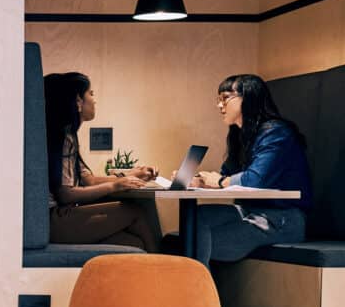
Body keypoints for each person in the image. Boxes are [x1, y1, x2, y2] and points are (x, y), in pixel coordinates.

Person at [186, 73, 312, 267]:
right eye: (218, 100)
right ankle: (200, 292)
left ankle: (198, 295)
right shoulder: (240, 135)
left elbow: (254, 181)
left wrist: (218, 182)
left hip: (284, 218)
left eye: (225, 98)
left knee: (195, 242)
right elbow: (226, 175)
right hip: (250, 211)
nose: (219, 106)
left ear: (248, 97)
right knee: (196, 217)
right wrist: (200, 180)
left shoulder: (276, 132)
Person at [45, 72, 161, 251]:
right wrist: (114, 186)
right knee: (136, 211)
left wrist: (130, 175)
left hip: (60, 217)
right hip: (54, 220)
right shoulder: (62, 137)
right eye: (90, 93)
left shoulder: (68, 136)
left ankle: (158, 268)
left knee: (134, 244)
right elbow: (65, 194)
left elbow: (88, 180)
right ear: (78, 101)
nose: (94, 99)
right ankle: (163, 270)